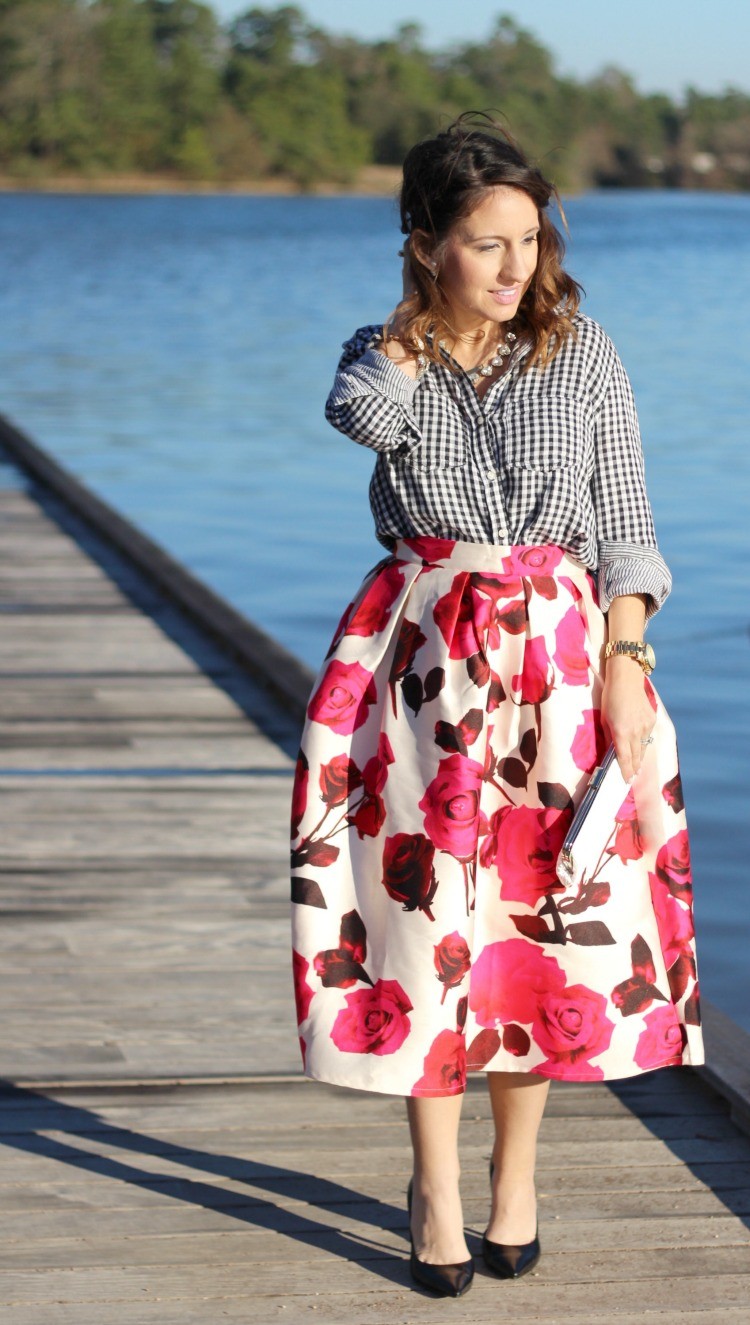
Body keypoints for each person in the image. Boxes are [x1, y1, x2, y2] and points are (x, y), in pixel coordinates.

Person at [290, 115, 703, 1298]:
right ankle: (436, 1183)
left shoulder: (584, 351)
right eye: (486, 241)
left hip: (564, 659)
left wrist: (628, 655)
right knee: (426, 925)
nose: (518, 264)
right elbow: (358, 419)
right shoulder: (381, 352)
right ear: (427, 245)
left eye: (530, 236)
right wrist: (425, 335)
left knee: (537, 926)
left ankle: (518, 1173)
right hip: (424, 665)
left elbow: (626, 525)